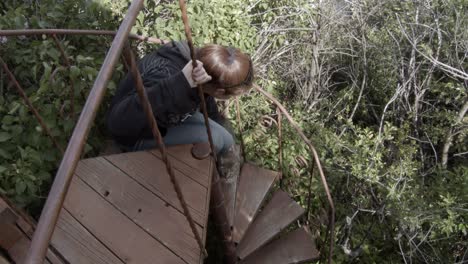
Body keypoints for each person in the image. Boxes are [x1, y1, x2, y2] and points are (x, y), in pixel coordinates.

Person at [106, 41, 253, 158]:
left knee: (226, 139)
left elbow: (206, 101)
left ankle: (222, 167)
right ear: (220, 92)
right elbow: (117, 124)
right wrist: (180, 83)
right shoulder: (165, 73)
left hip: (165, 120)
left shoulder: (202, 71)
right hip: (136, 135)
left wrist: (220, 126)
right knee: (216, 139)